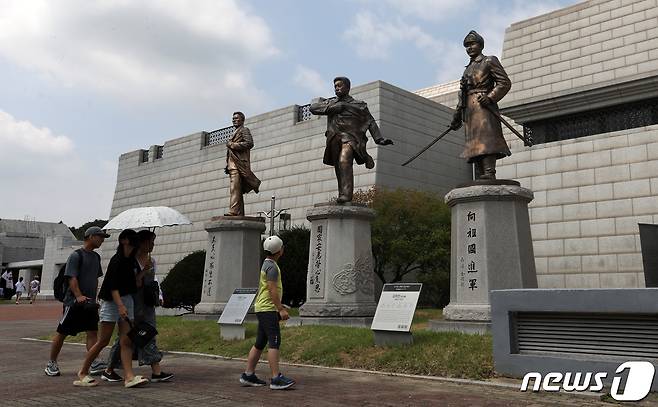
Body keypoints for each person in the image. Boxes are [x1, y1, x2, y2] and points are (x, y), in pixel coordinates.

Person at [74, 228, 148, 388]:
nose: (137, 242)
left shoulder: (132, 261)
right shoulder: (117, 260)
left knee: (126, 340)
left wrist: (144, 272)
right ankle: (82, 372)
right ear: (124, 241)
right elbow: (113, 286)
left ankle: (129, 377)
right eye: (133, 239)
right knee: (103, 340)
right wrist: (120, 306)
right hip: (112, 301)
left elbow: (134, 283)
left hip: (126, 299)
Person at [102, 230, 173, 383]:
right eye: (150, 242)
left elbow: (154, 281)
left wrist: (159, 295)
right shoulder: (130, 260)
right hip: (133, 302)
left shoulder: (151, 260)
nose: (152, 245)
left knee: (146, 333)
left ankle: (155, 370)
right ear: (141, 242)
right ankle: (110, 369)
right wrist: (142, 271)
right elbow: (131, 284)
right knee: (129, 336)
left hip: (147, 302)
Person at [310, 76, 394, 203]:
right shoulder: (331, 103)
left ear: (348, 88)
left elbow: (370, 121)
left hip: (351, 138)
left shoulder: (359, 105)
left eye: (339, 86)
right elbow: (313, 108)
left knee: (344, 161)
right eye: (335, 87)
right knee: (338, 166)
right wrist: (334, 108)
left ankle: (347, 195)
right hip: (334, 138)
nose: (337, 88)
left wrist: (379, 139)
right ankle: (342, 193)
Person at [44, 226, 109, 377]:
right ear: (91, 236)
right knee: (62, 332)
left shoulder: (96, 257)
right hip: (74, 302)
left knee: (92, 332)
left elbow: (95, 279)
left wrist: (96, 297)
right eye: (100, 237)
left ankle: (94, 361)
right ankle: (51, 362)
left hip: (90, 303)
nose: (102, 240)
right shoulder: (76, 255)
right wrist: (79, 296)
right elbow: (71, 278)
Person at [450, 30, 512, 180]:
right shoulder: (467, 70)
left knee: (486, 139)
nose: (469, 48)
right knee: (474, 142)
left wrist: (490, 97)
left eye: (473, 44)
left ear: (480, 45)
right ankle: (480, 174)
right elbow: (462, 95)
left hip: (484, 107)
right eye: (467, 46)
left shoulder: (489, 61)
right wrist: (457, 116)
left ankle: (490, 172)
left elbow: (504, 83)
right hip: (470, 110)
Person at [240, 235, 295, 390]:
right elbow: (271, 290)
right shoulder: (272, 268)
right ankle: (276, 378)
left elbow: (270, 290)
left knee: (260, 342)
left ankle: (248, 374)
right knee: (274, 341)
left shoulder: (267, 264)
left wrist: (279, 304)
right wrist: (280, 309)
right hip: (268, 309)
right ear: (280, 251)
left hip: (263, 308)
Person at [224, 111, 261, 216]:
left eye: (236, 118)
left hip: (239, 164)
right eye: (233, 119)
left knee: (235, 188)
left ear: (242, 120)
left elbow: (249, 143)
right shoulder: (235, 132)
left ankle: (234, 211)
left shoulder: (244, 130)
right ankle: (239, 212)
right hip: (232, 164)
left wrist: (233, 145)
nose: (234, 120)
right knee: (237, 189)